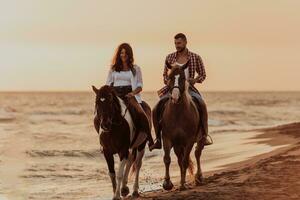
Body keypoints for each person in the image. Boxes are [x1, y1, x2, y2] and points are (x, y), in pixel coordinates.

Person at [150, 33, 213, 151]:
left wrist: (194, 80)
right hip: (173, 88)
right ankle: (158, 139)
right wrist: (168, 81)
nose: (177, 46)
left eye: (179, 43)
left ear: (185, 42)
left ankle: (204, 135)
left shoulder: (195, 57)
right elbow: (164, 75)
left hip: (189, 89)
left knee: (201, 103)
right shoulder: (169, 58)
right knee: (155, 108)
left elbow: (203, 75)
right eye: (175, 43)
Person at [103, 43, 155, 150]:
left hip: (129, 95)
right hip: (116, 95)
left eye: (126, 53)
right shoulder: (113, 69)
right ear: (118, 54)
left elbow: (140, 86)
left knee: (141, 113)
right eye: (121, 53)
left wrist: (133, 93)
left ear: (129, 55)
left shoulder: (135, 68)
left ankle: (150, 140)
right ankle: (103, 142)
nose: (123, 55)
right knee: (103, 113)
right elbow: (108, 85)